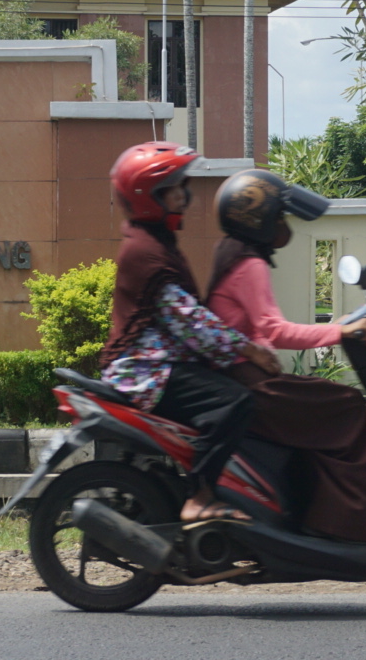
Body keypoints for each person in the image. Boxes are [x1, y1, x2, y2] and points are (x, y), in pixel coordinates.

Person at [99, 141, 280, 524]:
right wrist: (249, 351)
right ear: (150, 197)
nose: (185, 194)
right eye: (174, 187)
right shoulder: (147, 251)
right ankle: (200, 496)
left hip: (155, 366)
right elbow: (189, 321)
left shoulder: (152, 242)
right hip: (145, 372)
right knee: (233, 403)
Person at [204, 168, 366, 543]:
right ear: (261, 220)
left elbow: (257, 330)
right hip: (248, 383)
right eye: (279, 216)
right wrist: (341, 331)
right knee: (348, 405)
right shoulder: (249, 264)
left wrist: (337, 325)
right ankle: (334, 521)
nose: (284, 225)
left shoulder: (231, 251)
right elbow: (275, 331)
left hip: (240, 375)